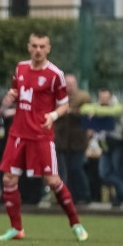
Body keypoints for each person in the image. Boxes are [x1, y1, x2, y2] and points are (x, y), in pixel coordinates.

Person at [0, 31, 88, 242]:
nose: (38, 50)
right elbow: (14, 93)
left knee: (53, 180)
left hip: (41, 134)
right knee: (8, 178)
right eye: (34, 46)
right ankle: (16, 228)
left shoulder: (56, 74)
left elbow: (64, 103)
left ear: (48, 48)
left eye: (42, 46)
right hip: (18, 133)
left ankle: (76, 224)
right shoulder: (20, 68)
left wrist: (53, 115)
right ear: (29, 47)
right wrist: (10, 98)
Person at [80, 88, 123, 207]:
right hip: (104, 143)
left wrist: (95, 111)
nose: (103, 100)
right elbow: (83, 109)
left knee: (118, 170)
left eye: (106, 98)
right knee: (104, 172)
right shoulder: (97, 106)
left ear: (111, 98)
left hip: (117, 143)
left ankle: (120, 197)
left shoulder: (118, 107)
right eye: (101, 98)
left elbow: (114, 112)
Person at [54, 74, 92, 204]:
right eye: (67, 83)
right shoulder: (59, 97)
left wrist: (70, 111)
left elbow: (87, 113)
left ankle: (85, 195)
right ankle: (72, 196)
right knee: (67, 170)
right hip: (62, 141)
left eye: (71, 83)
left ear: (76, 84)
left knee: (77, 167)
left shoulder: (83, 96)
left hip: (78, 140)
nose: (69, 86)